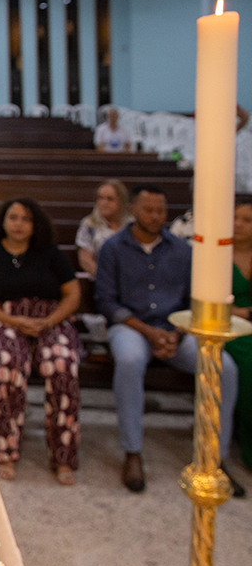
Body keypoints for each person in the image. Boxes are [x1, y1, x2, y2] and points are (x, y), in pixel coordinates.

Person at [95, 184, 243, 494]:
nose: (155, 216)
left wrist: (175, 333)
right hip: (132, 328)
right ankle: (133, 451)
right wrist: (150, 333)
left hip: (176, 328)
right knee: (130, 360)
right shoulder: (113, 248)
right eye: (148, 210)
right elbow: (108, 302)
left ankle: (214, 456)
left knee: (223, 367)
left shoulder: (182, 250)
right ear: (133, 210)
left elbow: (193, 300)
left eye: (160, 211)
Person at [0, 198, 82, 485]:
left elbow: (72, 293)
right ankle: (7, 450)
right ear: (3, 222)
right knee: (10, 366)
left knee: (62, 365)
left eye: (26, 219)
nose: (19, 224)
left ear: (35, 225)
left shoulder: (49, 254)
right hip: (0, 320)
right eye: (13, 217)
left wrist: (50, 320)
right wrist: (13, 321)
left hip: (48, 320)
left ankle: (63, 455)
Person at [226, 195, 252, 470]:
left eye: (247, 220)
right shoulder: (218, 252)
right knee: (247, 359)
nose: (239, 224)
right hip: (229, 327)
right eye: (235, 218)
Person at [76, 179, 132, 277]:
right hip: (101, 279)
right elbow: (85, 260)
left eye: (110, 199)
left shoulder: (132, 224)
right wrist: (105, 278)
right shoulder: (89, 224)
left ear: (121, 201)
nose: (103, 203)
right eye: (100, 198)